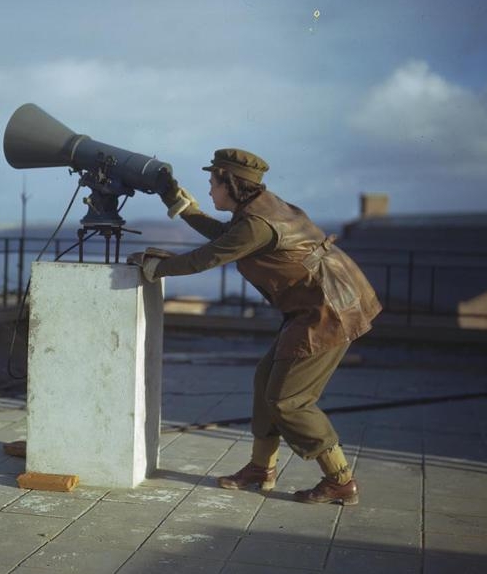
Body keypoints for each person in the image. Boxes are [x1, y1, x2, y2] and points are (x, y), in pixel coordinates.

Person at [129, 148, 382, 505]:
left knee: (288, 401)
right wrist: (185, 208)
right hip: (317, 307)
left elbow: (210, 255)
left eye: (213, 184)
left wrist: (158, 268)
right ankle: (260, 469)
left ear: (231, 184)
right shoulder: (259, 208)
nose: (211, 191)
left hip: (326, 314)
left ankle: (339, 480)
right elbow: (225, 237)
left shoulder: (256, 224)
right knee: (266, 381)